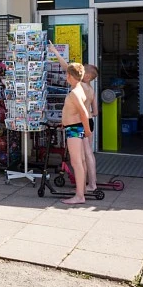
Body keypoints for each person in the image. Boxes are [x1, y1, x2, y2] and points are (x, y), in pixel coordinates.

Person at [47, 43, 99, 191]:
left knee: (81, 157)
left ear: (86, 76)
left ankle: (87, 185)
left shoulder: (80, 86)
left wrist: (56, 52)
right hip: (89, 120)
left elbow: (66, 67)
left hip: (80, 123)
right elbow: (95, 111)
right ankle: (92, 182)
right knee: (89, 153)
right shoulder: (90, 89)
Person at [58, 62, 93, 205]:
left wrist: (87, 131)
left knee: (76, 162)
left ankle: (79, 196)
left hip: (74, 128)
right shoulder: (79, 89)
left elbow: (84, 113)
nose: (66, 76)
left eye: (67, 74)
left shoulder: (74, 93)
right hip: (74, 127)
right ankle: (81, 190)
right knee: (80, 161)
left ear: (71, 76)